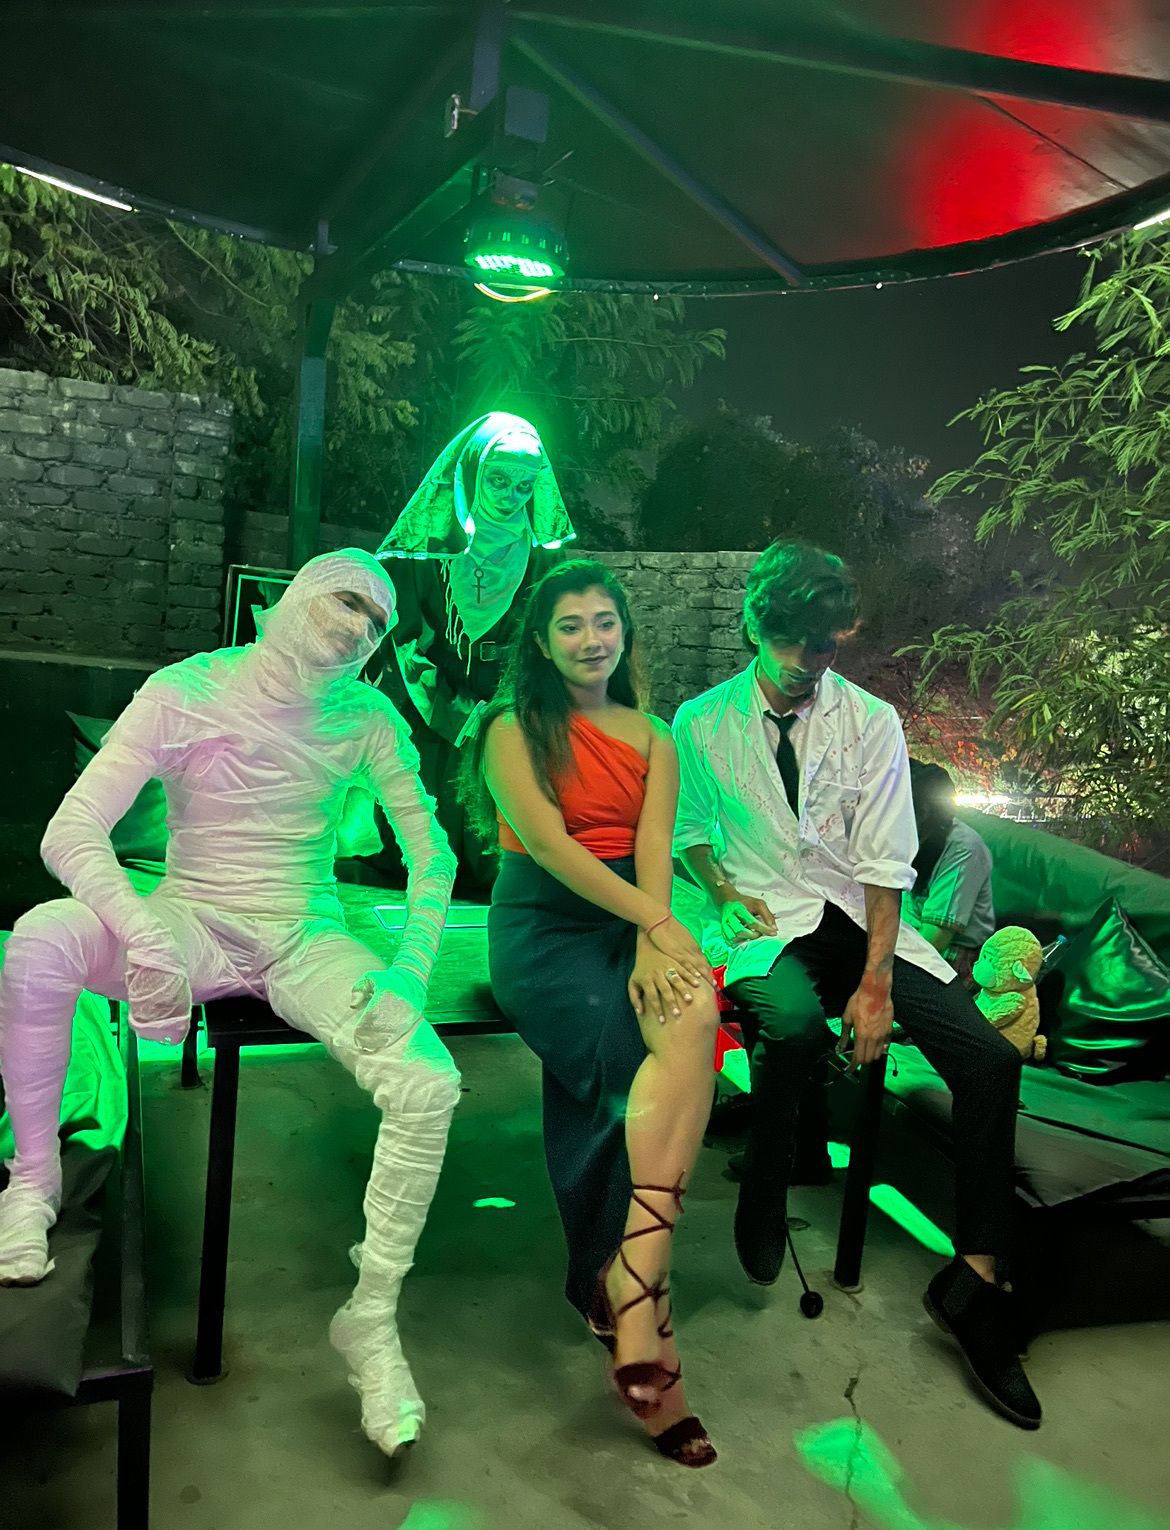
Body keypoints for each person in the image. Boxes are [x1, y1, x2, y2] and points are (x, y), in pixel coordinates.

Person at [0, 550, 460, 1458]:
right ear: (297, 595)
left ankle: (370, 1318)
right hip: (192, 915)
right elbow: (71, 829)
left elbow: (432, 853)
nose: (361, 629)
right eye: (348, 602)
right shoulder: (188, 689)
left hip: (306, 933)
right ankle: (35, 1180)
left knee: (429, 1084)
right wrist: (142, 933)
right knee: (41, 941)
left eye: (379, 622)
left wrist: (409, 971)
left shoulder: (367, 717)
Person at [672, 541, 1039, 1430]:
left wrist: (876, 986)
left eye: (825, 645)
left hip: (864, 925)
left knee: (990, 1063)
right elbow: (691, 829)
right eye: (791, 642)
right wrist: (720, 891)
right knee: (794, 1027)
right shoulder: (701, 721)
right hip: (769, 925)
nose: (807, 662)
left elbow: (884, 861)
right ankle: (767, 1188)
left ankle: (975, 1281)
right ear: (756, 626)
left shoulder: (872, 721)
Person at [463, 559, 720, 1468]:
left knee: (696, 1015)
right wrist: (656, 921)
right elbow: (547, 844)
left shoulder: (655, 734)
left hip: (628, 917)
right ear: (541, 642)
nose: (590, 639)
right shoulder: (510, 728)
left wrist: (655, 936)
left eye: (604, 621)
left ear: (625, 632)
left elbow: (653, 845)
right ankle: (643, 1314)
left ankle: (630, 1272)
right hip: (543, 925)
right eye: (569, 625)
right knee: (629, 1062)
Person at [372, 413, 575, 891]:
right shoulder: (421, 544)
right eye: (498, 480)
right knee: (426, 808)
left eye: (524, 486)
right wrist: (446, 703)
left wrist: (513, 700)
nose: (510, 496)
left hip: (506, 697)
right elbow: (402, 629)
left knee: (496, 816)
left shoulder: (543, 552)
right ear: (472, 472)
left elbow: (548, 628)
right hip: (430, 694)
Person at [903, 761, 995, 986]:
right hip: (903, 942)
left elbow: (934, 940)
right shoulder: (908, 838)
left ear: (922, 812)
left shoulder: (964, 850)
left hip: (950, 959)